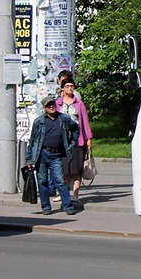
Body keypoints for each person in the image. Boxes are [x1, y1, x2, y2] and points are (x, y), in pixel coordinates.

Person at [25, 96, 79, 215]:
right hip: (42, 154)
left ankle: (68, 206)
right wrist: (29, 159)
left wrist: (72, 143)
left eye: (53, 104)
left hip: (56, 155)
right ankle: (46, 207)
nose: (51, 106)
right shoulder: (39, 121)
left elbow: (76, 128)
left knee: (60, 181)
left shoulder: (63, 119)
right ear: (44, 108)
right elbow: (32, 141)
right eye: (48, 105)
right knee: (42, 181)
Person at [55, 74, 92, 203]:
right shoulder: (57, 104)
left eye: (72, 86)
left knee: (76, 169)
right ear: (62, 89)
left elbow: (85, 122)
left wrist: (89, 139)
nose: (70, 88)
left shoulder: (79, 104)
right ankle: (63, 193)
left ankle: (75, 194)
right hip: (62, 141)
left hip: (77, 140)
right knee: (64, 169)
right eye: (67, 86)